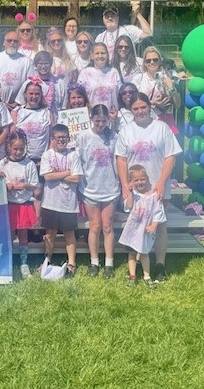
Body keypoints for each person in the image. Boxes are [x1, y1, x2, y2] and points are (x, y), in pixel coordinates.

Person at [115, 93, 182, 283]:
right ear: (131, 111)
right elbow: (121, 159)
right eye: (135, 108)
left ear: (149, 107)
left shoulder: (161, 128)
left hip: (157, 186)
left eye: (143, 107)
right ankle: (136, 266)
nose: (139, 111)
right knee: (137, 225)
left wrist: (161, 182)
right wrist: (125, 187)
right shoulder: (127, 131)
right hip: (136, 189)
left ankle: (159, 265)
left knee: (159, 225)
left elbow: (171, 157)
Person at [76, 104, 120, 279]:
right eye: (97, 121)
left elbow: (119, 161)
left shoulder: (114, 137)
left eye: (104, 121)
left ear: (108, 120)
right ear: (91, 119)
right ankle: (94, 262)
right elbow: (78, 160)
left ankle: (109, 262)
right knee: (94, 226)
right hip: (90, 188)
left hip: (110, 188)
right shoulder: (84, 137)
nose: (101, 124)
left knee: (108, 226)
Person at [39, 124, 81, 278]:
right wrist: (66, 173)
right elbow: (47, 177)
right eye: (58, 138)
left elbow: (76, 178)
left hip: (68, 203)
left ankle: (71, 264)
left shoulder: (73, 155)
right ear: (53, 139)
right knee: (50, 233)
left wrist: (56, 174)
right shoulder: (47, 155)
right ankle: (47, 260)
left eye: (64, 137)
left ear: (68, 138)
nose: (61, 140)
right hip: (50, 202)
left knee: (70, 234)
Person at [0, 129, 40, 278]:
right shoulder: (2, 163)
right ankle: (7, 261)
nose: (18, 152)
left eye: (21, 149)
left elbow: (36, 186)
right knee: (8, 234)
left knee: (23, 235)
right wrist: (5, 185)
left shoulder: (29, 164)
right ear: (9, 147)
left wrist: (26, 185)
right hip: (9, 203)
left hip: (24, 203)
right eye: (15, 148)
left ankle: (24, 263)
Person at [119, 165, 167, 288]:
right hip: (133, 230)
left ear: (147, 179)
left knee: (144, 253)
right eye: (136, 180)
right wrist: (129, 192)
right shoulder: (134, 195)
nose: (140, 182)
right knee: (132, 253)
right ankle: (132, 276)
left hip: (145, 230)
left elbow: (159, 212)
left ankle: (147, 276)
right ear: (131, 182)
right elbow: (129, 206)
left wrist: (154, 225)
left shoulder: (154, 196)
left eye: (142, 179)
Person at [0, 31, 35, 110]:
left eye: (15, 41)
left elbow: (29, 83)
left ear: (19, 44)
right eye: (9, 40)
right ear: (4, 43)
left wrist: (17, 102)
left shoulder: (27, 61)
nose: (12, 43)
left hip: (18, 107)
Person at [135, 46, 180, 131]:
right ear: (144, 62)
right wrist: (153, 103)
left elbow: (178, 104)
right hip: (144, 122)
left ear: (160, 61)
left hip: (165, 122)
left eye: (155, 60)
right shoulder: (138, 79)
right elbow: (133, 103)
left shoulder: (167, 77)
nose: (152, 62)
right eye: (148, 60)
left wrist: (172, 88)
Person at [15, 50, 67, 121]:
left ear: (51, 64)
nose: (43, 66)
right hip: (35, 123)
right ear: (36, 65)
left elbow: (64, 106)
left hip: (56, 121)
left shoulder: (59, 83)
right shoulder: (29, 83)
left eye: (46, 63)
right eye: (40, 63)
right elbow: (20, 104)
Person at [11, 80, 52, 163]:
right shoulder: (17, 112)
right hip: (22, 160)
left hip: (42, 161)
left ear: (41, 96)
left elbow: (52, 137)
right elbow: (12, 138)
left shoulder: (47, 112)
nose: (34, 96)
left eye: (37, 94)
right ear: (25, 94)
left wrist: (47, 159)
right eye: (31, 93)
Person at [77, 42, 121, 113]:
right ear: (92, 56)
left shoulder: (114, 72)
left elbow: (120, 94)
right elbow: (79, 95)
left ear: (107, 55)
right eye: (97, 53)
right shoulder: (85, 73)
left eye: (103, 53)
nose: (100, 56)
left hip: (112, 115)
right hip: (92, 116)